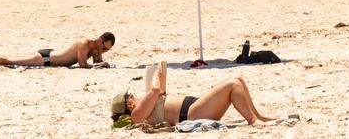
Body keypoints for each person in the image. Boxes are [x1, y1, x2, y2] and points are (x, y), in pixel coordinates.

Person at [110, 64, 275, 126]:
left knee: (237, 79)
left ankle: (257, 116)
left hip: (195, 108)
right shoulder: (137, 113)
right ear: (129, 104)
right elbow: (154, 90)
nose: (134, 96)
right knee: (233, 84)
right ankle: (253, 121)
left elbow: (157, 95)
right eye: (130, 96)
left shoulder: (143, 106)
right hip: (193, 113)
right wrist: (155, 75)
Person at [0, 32, 116, 69]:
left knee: (8, 62)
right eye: (104, 47)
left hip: (51, 57)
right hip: (46, 59)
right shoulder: (85, 43)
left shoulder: (96, 48)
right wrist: (100, 64)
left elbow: (98, 63)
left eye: (106, 50)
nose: (103, 50)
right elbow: (83, 65)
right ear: (99, 41)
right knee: (9, 60)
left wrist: (100, 55)